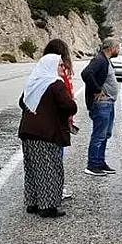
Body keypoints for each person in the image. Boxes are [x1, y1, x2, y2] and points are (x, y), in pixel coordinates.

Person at [18, 53, 78, 218]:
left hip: (28, 131)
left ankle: (33, 202)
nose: (63, 68)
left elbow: (22, 102)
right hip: (46, 134)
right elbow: (70, 106)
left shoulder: (34, 81)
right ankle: (48, 206)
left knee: (32, 169)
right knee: (49, 169)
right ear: (51, 66)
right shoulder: (55, 84)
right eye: (59, 65)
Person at [80, 37, 120, 176]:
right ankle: (92, 165)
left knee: (105, 134)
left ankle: (100, 162)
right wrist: (97, 89)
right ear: (111, 48)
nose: (118, 50)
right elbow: (86, 73)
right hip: (102, 104)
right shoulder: (99, 60)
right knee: (99, 135)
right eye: (117, 47)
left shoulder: (106, 60)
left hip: (109, 103)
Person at [43, 39, 77, 200]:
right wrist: (70, 113)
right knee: (56, 157)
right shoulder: (60, 74)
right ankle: (55, 188)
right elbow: (67, 97)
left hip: (47, 119)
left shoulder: (42, 70)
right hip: (58, 120)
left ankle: (44, 188)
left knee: (46, 158)